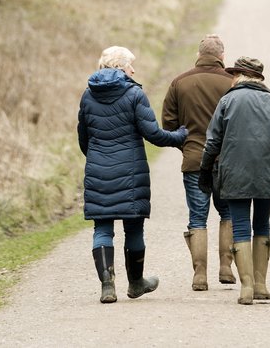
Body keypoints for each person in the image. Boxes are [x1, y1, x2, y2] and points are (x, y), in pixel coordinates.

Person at [77, 46, 188, 304]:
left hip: (97, 169)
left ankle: (107, 286)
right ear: (119, 67)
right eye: (130, 65)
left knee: (102, 228)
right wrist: (180, 136)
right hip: (130, 170)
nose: (134, 70)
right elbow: (153, 134)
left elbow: (83, 138)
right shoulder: (134, 94)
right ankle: (136, 283)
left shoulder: (87, 96)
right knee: (134, 226)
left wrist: (96, 157)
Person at [199, 56, 270, 305]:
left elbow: (213, 140)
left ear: (240, 75)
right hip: (268, 174)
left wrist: (205, 169)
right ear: (258, 77)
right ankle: (260, 284)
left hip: (234, 173)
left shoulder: (227, 101)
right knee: (262, 224)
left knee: (240, 226)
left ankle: (246, 287)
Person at [161, 34, 236, 291]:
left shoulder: (179, 82)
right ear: (221, 56)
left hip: (194, 160)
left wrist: (186, 146)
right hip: (226, 161)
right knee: (227, 213)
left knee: (197, 218)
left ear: (198, 54)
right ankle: (226, 267)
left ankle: (200, 275)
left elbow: (168, 125)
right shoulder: (232, 82)